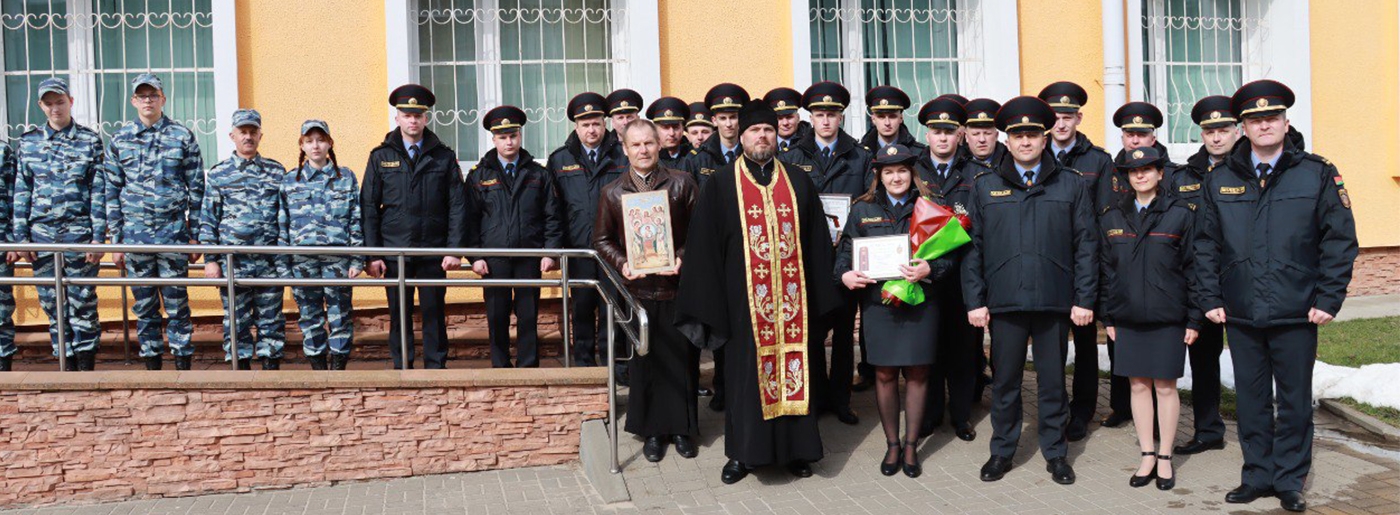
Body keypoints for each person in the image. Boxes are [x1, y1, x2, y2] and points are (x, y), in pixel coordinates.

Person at [1198, 80, 1358, 513]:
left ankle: (1289, 479)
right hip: (1241, 310)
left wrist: (1328, 298)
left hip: (1296, 310)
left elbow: (1339, 240)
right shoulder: (1221, 179)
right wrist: (1210, 296)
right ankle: (1256, 475)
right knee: (1250, 400)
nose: (1264, 125)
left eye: (1272, 118)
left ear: (1286, 122)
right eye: (1254, 120)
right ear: (1243, 128)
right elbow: (1205, 244)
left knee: (1292, 402)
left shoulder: (1317, 173)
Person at [676, 99, 840, 485]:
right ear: (740, 135)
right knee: (745, 380)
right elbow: (704, 250)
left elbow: (817, 243)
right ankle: (744, 455)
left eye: (768, 129)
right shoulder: (719, 184)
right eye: (754, 131)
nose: (762, 136)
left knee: (796, 372)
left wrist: (819, 300)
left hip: (794, 307)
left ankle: (799, 452)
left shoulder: (798, 181)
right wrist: (714, 307)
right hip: (743, 308)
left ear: (776, 135)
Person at [964, 96, 1097, 485]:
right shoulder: (986, 186)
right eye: (1018, 135)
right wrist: (975, 300)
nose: (1025, 142)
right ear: (1008, 140)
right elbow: (973, 248)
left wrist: (1084, 298)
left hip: (1054, 301)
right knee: (1005, 382)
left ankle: (1056, 453)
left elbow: (1087, 245)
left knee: (1053, 382)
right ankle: (1002, 451)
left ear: (1044, 138)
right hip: (1005, 303)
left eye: (1032, 135)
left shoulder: (1069, 184)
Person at [837, 144, 951, 478]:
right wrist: (845, 273)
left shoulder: (930, 208)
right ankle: (892, 444)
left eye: (902, 170)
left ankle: (912, 445)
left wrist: (930, 268)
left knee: (918, 373)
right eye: (889, 171)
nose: (896, 177)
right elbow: (845, 253)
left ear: (912, 174)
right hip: (879, 306)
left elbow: (951, 255)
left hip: (920, 305)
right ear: (879, 176)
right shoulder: (862, 210)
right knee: (885, 374)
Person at [594, 118, 701, 463]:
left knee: (682, 361)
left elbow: (700, 233)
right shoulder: (612, 192)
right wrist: (623, 263)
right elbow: (600, 239)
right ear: (625, 150)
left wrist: (683, 259)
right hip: (637, 292)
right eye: (635, 145)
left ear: (660, 146)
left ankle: (683, 429)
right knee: (647, 364)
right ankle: (653, 432)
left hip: (677, 287)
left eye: (649, 143)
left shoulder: (682, 183)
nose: (643, 150)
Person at [1098, 146, 1199, 491]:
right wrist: (1107, 314)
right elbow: (1106, 270)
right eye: (1133, 171)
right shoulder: (1112, 215)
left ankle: (1166, 456)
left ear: (1160, 173)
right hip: (1127, 315)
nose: (1140, 175)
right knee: (1138, 385)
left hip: (1169, 315)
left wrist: (1195, 318)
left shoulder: (1180, 213)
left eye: (1147, 169)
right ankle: (1147, 454)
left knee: (1165, 387)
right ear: (1127, 177)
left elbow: (1195, 269)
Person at [779, 81, 871, 426]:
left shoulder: (858, 156)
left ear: (842, 116)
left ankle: (841, 398)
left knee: (845, 334)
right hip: (807, 259)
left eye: (832, 114)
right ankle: (815, 397)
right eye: (820, 114)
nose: (826, 120)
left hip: (845, 257)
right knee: (813, 334)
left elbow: (866, 205)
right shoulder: (792, 157)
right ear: (811, 117)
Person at [361, 84, 468, 369]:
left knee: (434, 312)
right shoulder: (380, 156)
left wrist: (455, 250)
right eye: (407, 114)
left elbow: (458, 206)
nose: (412, 120)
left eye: (418, 115)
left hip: (433, 250)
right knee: (399, 313)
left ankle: (436, 367)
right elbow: (369, 208)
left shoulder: (443, 156)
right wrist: (373, 256)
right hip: (395, 252)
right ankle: (403, 367)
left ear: (426, 118)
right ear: (397, 118)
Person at [104, 73, 204, 371]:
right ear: (133, 100)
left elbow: (196, 188)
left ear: (163, 98)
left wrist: (195, 236)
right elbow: (111, 190)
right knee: (144, 305)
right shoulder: (120, 139)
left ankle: (183, 363)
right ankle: (152, 364)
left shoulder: (181, 136)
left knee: (177, 304)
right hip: (135, 238)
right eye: (142, 95)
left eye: (153, 95)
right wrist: (117, 241)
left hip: (173, 236)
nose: (148, 100)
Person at [1037, 82, 1117, 440]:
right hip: (1048, 264)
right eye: (1055, 116)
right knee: (1050, 342)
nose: (1061, 123)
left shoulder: (1098, 160)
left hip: (1084, 265)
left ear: (1079, 118)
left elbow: (1104, 217)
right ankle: (1053, 407)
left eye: (1068, 116)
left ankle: (1083, 410)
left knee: (1085, 343)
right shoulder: (1035, 155)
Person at [12, 78, 107, 371]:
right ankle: (64, 362)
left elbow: (98, 191)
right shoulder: (28, 144)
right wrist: (21, 238)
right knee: (52, 303)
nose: (55, 108)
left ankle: (85, 365)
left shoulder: (90, 141)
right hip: (42, 236)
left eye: (60, 101)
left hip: (79, 234)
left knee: (82, 301)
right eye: (49, 103)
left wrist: (98, 237)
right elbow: (22, 190)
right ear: (41, 105)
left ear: (71, 102)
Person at [467, 105, 564, 368]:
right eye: (502, 137)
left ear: (520, 136)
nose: (509, 141)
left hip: (528, 255)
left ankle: (528, 365)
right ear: (494, 139)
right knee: (497, 315)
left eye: (513, 135)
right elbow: (470, 219)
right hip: (494, 257)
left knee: (528, 314)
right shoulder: (479, 174)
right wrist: (475, 257)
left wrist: (549, 252)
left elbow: (552, 217)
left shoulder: (538, 173)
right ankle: (500, 366)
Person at [1167, 95, 1236, 456]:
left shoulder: (1248, 172)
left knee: (1252, 360)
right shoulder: (1183, 177)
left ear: (1237, 130)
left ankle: (1267, 434)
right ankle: (1209, 429)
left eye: (1223, 129)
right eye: (1210, 131)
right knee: (1204, 362)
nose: (1216, 137)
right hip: (1198, 284)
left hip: (1242, 282)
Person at [199, 109, 288, 370]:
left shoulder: (276, 171)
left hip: (268, 262)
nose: (248, 137)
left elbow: (286, 217)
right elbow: (208, 219)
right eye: (242, 132)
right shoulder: (219, 174)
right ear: (232, 136)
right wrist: (210, 260)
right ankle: (241, 374)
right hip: (232, 262)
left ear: (260, 135)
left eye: (252, 132)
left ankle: (272, 374)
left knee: (271, 320)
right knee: (236, 321)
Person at [913, 97, 979, 442]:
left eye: (949, 132)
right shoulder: (914, 171)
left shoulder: (975, 172)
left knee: (963, 350)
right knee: (929, 349)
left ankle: (962, 416)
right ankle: (931, 414)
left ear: (961, 135)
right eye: (937, 132)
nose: (943, 138)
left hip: (963, 278)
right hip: (923, 277)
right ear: (927, 135)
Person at [549, 92, 626, 367]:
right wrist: (555, 249)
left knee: (613, 308)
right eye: (585, 124)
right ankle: (583, 362)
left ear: (604, 124)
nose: (591, 129)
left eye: (596, 123)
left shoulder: (622, 155)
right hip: (578, 248)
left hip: (614, 250)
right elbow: (553, 210)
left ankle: (613, 364)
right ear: (575, 127)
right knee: (581, 307)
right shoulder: (559, 160)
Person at [279, 120, 363, 371]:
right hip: (302, 261)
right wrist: (284, 265)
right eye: (309, 140)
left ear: (329, 143)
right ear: (302, 145)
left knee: (340, 315)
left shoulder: (345, 177)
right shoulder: (290, 180)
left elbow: (355, 218)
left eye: (320, 139)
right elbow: (282, 223)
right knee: (310, 316)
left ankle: (338, 371)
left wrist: (357, 259)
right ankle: (317, 371)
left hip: (337, 260)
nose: (315, 145)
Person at [680, 83, 749, 190]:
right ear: (714, 121)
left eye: (733, 117)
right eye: (722, 118)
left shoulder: (751, 153)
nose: (728, 124)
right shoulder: (696, 159)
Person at [858, 86, 926, 155]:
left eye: (892, 117)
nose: (887, 123)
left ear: (901, 118)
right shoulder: (861, 153)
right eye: (881, 117)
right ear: (873, 119)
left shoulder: (918, 153)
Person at [647, 96, 692, 168]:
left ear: (683, 128)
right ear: (654, 129)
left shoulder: (694, 157)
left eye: (676, 127)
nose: (671, 133)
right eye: (665, 127)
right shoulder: (647, 158)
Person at [0, 144, 14, 371]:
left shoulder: (3, 152)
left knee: (1, 307)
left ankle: (3, 364)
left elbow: (15, 197)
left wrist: (14, 241)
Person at [764, 87, 810, 153]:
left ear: (798, 118)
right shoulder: (763, 143)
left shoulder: (811, 143)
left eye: (789, 117)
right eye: (779, 118)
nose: (785, 123)